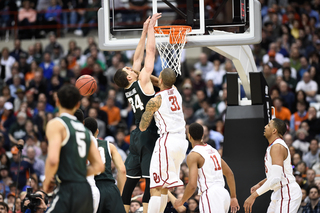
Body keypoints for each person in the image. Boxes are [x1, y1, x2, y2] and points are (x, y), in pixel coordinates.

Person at [113, 13, 161, 213]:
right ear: (129, 75)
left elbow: (137, 57)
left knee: (131, 182)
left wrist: (142, 32)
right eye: (128, 68)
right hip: (149, 133)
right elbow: (149, 53)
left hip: (135, 136)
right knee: (149, 181)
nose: (130, 66)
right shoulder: (142, 79)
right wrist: (151, 30)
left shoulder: (128, 87)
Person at [43, 85, 104, 213]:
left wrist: (47, 182)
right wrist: (78, 173)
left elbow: (53, 160)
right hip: (85, 191)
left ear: (57, 101)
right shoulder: (86, 132)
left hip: (68, 188)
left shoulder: (56, 124)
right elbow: (99, 166)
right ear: (78, 104)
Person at [139, 68, 189, 213]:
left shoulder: (155, 100)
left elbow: (143, 127)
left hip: (167, 142)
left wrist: (147, 112)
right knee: (163, 187)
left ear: (161, 80)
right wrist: (140, 75)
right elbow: (160, 81)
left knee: (155, 187)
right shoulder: (175, 91)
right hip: (181, 142)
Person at [173, 123, 240, 213]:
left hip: (211, 194)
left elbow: (192, 185)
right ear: (203, 135)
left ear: (189, 136)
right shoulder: (213, 150)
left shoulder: (193, 155)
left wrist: (182, 201)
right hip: (224, 194)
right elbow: (229, 174)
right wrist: (233, 197)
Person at [243, 118, 302, 213]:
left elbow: (275, 178)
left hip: (287, 192)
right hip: (279, 192)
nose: (265, 126)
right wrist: (260, 184)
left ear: (274, 130)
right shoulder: (273, 146)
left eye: (268, 125)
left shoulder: (277, 146)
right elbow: (277, 174)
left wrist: (253, 196)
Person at [84, 117, 126, 213]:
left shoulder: (79, 146)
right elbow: (122, 170)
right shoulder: (109, 146)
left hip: (91, 189)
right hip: (110, 188)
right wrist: (118, 193)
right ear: (97, 131)